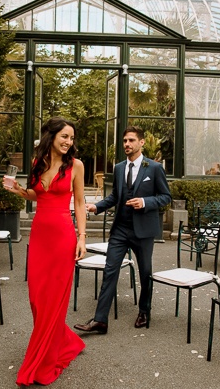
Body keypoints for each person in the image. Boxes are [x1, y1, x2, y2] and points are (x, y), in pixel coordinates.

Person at [3, 117, 87, 386]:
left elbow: (81, 204)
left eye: (71, 138)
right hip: (40, 237)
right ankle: (65, 340)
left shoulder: (76, 166)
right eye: (64, 136)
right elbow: (37, 195)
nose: (68, 142)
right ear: (50, 137)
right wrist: (18, 190)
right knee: (38, 300)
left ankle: (44, 362)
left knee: (55, 301)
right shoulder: (36, 164)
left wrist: (82, 238)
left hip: (64, 237)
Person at [74, 126, 171, 334]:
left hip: (143, 231)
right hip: (120, 229)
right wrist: (97, 207)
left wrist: (145, 201)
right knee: (110, 271)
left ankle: (144, 310)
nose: (127, 144)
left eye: (131, 140)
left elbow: (166, 197)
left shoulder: (154, 168)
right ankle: (100, 320)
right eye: (125, 141)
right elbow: (115, 196)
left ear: (141, 142)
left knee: (145, 273)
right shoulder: (118, 168)